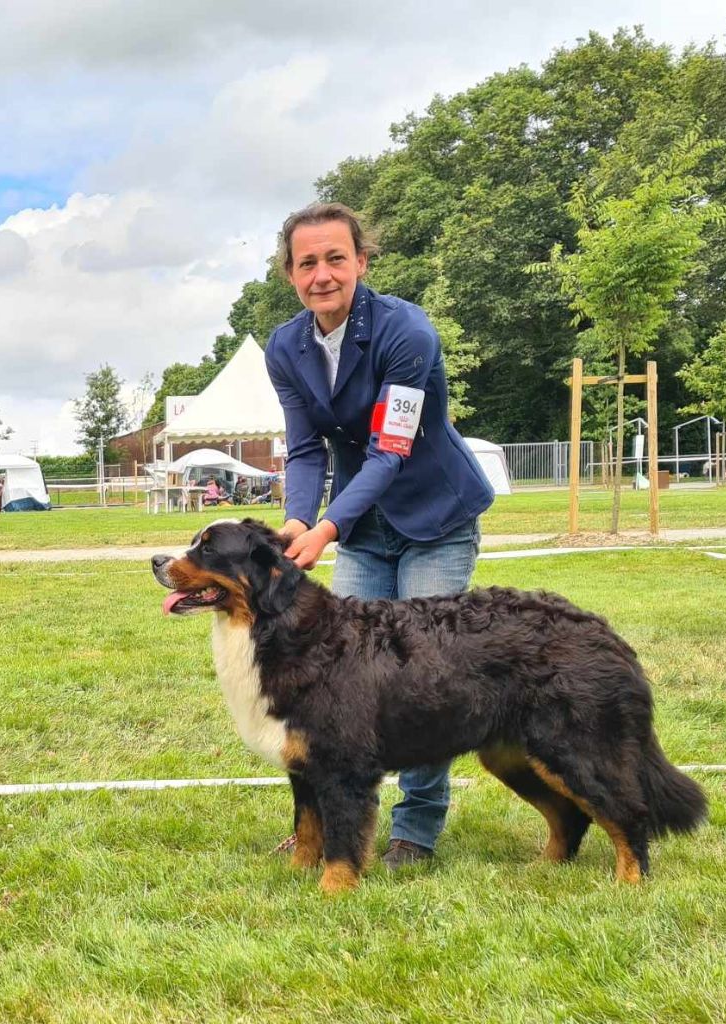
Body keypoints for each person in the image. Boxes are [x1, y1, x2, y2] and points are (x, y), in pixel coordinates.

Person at [265, 202, 494, 869]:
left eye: (336, 257)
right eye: (307, 262)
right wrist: (299, 519)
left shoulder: (405, 332)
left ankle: (414, 833)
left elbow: (388, 451)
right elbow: (306, 449)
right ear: (291, 274)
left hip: (435, 520)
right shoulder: (287, 346)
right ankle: (328, 823)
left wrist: (329, 526)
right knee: (336, 678)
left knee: (420, 678)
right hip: (364, 529)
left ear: (361, 262)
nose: (322, 274)